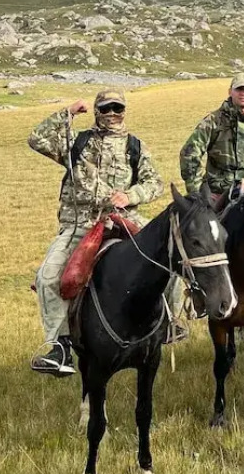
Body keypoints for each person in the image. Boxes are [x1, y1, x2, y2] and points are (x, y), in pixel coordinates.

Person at [29, 89, 164, 376]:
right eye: (106, 108)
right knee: (48, 276)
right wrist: (66, 114)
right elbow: (36, 139)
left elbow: (156, 183)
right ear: (96, 111)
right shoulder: (77, 143)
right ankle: (60, 346)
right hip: (82, 223)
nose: (113, 113)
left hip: (125, 218)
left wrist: (130, 195)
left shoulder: (135, 146)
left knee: (165, 260)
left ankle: (169, 326)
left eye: (118, 107)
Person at [180, 72, 244, 199]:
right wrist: (198, 191)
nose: (243, 93)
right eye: (239, 89)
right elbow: (189, 154)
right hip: (218, 195)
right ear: (230, 91)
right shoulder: (213, 121)